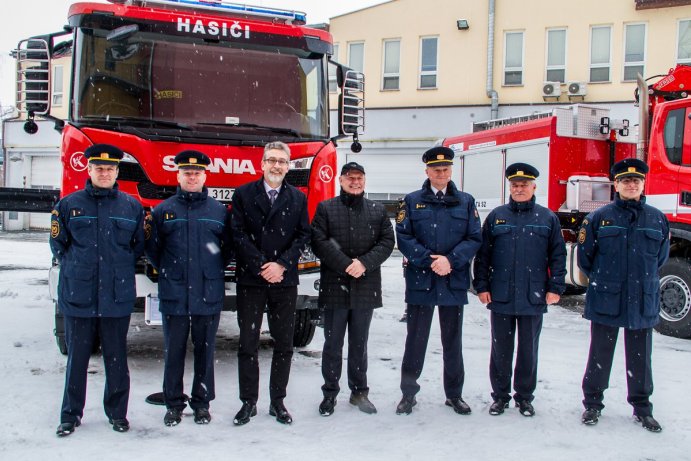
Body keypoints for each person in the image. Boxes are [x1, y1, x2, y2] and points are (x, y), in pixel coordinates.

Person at [50, 144, 145, 437]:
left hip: (116, 295)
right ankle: (70, 415)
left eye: (110, 169)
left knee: (116, 359)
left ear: (117, 172)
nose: (104, 173)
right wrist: (82, 267)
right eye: (99, 168)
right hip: (79, 294)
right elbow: (59, 245)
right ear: (89, 169)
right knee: (77, 358)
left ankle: (117, 414)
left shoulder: (131, 207)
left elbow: (137, 246)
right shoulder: (68, 205)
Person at [578, 158, 669, 433]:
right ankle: (593, 404)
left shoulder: (657, 218)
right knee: (600, 354)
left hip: (642, 298)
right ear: (616, 184)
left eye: (636, 180)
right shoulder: (598, 217)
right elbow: (586, 259)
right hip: (608, 297)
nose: (631, 184)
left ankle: (642, 408)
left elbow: (660, 259)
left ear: (643, 184)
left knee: (641, 357)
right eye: (625, 180)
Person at [145, 150, 233, 427]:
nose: (192, 176)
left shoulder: (219, 212)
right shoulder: (163, 210)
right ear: (178, 175)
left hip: (208, 291)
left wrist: (209, 269)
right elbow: (152, 249)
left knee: (206, 351)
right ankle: (173, 404)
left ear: (205, 176)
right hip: (175, 291)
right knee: (174, 351)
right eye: (187, 173)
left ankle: (202, 403)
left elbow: (227, 250)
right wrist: (172, 270)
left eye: (197, 173)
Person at [394, 146, 482, 415]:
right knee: (415, 340)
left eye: (445, 169)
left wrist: (450, 260)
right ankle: (409, 394)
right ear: (427, 171)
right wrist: (430, 260)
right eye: (436, 169)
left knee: (452, 341)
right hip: (422, 280)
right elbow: (404, 237)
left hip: (452, 280)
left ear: (451, 170)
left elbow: (474, 238)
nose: (441, 173)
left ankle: (454, 395)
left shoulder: (466, 201)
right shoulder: (411, 201)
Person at [473, 163, 566, 417]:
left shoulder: (547, 218)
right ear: (510, 188)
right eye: (515, 185)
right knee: (500, 349)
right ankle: (500, 397)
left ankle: (524, 398)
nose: (519, 188)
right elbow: (483, 255)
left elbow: (558, 255)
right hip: (501, 294)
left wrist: (556, 287)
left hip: (533, 296)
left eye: (524, 185)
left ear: (534, 186)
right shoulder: (496, 216)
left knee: (528, 350)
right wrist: (481, 286)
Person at [231, 141, 311, 425]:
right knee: (248, 344)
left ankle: (278, 402)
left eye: (282, 161)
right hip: (252, 280)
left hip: (284, 280)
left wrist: (282, 265)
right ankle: (248, 403)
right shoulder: (243, 194)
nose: (276, 166)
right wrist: (261, 265)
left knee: (284, 344)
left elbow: (303, 235)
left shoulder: (298, 198)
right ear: (261, 164)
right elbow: (237, 234)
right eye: (272, 160)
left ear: (288, 166)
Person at [311, 162, 395, 416]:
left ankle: (359, 393)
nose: (355, 181)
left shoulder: (377, 210)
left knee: (360, 344)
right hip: (335, 286)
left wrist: (364, 264)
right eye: (350, 178)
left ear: (365, 180)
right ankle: (330, 394)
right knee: (332, 345)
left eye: (359, 177)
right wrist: (346, 264)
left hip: (365, 286)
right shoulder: (326, 208)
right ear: (341, 180)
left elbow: (387, 241)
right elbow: (319, 241)